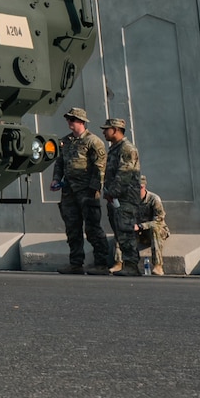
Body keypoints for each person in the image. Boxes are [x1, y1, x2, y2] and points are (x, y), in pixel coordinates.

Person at [55, 106, 112, 274]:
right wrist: (56, 179)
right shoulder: (65, 141)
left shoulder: (93, 141)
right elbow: (60, 163)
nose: (69, 122)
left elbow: (100, 166)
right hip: (69, 191)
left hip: (87, 191)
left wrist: (94, 188)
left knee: (93, 228)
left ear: (81, 122)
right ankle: (76, 263)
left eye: (71, 119)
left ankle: (101, 264)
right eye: (68, 119)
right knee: (72, 228)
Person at [102, 118, 143, 275]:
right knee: (120, 232)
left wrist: (112, 193)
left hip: (125, 198)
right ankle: (127, 264)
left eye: (107, 129)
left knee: (126, 232)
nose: (104, 132)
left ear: (116, 130)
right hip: (115, 198)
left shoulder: (126, 149)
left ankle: (132, 266)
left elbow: (124, 175)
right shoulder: (115, 148)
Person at [133, 175, 169, 275]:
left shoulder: (154, 199)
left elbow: (159, 220)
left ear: (143, 187)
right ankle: (126, 264)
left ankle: (158, 266)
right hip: (140, 233)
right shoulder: (131, 201)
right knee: (124, 230)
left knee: (155, 229)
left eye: (139, 187)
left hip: (156, 230)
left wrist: (141, 226)